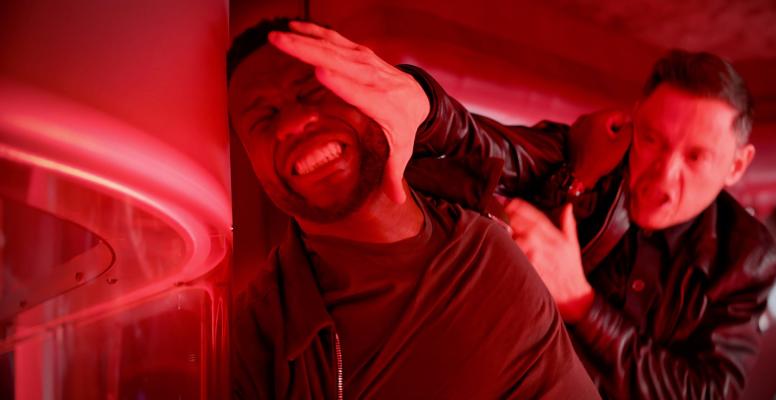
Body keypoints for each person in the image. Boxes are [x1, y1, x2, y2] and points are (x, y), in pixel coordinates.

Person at [268, 22, 776, 399]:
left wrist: (580, 303)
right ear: (634, 120)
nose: (663, 179)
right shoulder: (593, 158)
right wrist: (424, 110)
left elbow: (705, 394)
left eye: (697, 157)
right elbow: (492, 149)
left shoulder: (747, 258)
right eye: (652, 139)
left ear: (737, 166)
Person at [227, 18, 599, 399]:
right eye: (263, 118)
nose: (294, 122)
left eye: (312, 91)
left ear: (372, 97)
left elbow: (564, 154)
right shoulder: (261, 341)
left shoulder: (471, 201)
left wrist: (422, 104)